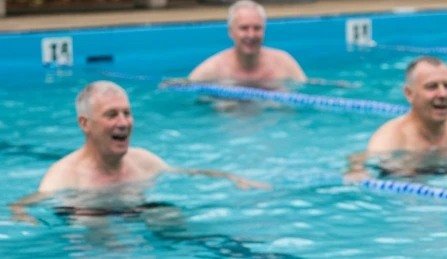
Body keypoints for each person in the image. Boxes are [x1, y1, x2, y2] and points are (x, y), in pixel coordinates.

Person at [9, 82, 268, 222]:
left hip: (135, 218)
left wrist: (233, 178)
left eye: (127, 113)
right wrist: (21, 215)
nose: (123, 122)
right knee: (90, 223)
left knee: (169, 217)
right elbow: (22, 204)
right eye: (111, 115)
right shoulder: (64, 176)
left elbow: (188, 173)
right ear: (85, 124)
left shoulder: (143, 160)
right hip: (92, 235)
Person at [187, 0, 306, 86]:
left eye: (257, 28)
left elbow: (308, 89)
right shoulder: (212, 70)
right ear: (231, 32)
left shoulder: (284, 63)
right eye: (244, 28)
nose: (251, 35)